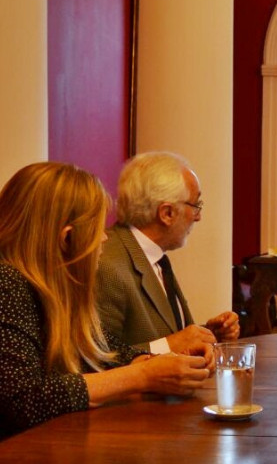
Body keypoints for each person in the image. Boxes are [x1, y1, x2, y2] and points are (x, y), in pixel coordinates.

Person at [0, 162, 210, 464]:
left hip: (20, 459)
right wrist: (142, 376)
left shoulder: (53, 285)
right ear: (67, 238)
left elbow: (105, 353)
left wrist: (164, 364)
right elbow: (27, 399)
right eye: (97, 229)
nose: (104, 239)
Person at [96, 151, 240, 356]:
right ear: (167, 213)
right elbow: (98, 359)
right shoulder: (106, 265)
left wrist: (208, 334)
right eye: (195, 205)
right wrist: (170, 344)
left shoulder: (154, 256)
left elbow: (167, 336)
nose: (198, 217)